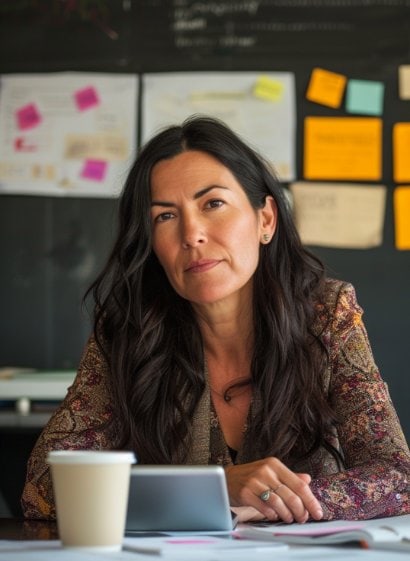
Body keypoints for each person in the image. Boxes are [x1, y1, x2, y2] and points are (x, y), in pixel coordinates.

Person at [22, 115, 409, 523]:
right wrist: (217, 485)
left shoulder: (326, 315)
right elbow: (44, 486)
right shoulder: (128, 332)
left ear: (266, 220)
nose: (192, 234)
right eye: (165, 216)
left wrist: (274, 500)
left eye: (213, 204)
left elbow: (398, 476)